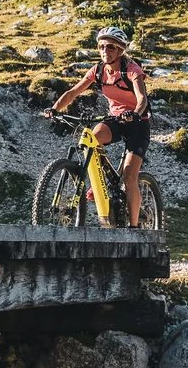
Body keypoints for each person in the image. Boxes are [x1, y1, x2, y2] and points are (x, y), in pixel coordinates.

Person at [45, 26, 150, 227]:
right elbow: (73, 92)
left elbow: (142, 99)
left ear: (120, 50)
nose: (104, 51)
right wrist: (55, 108)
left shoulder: (131, 69)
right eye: (101, 46)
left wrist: (135, 114)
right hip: (116, 119)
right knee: (92, 137)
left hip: (138, 123)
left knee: (129, 175)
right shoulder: (98, 70)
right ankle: (98, 180)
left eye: (110, 47)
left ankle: (135, 227)